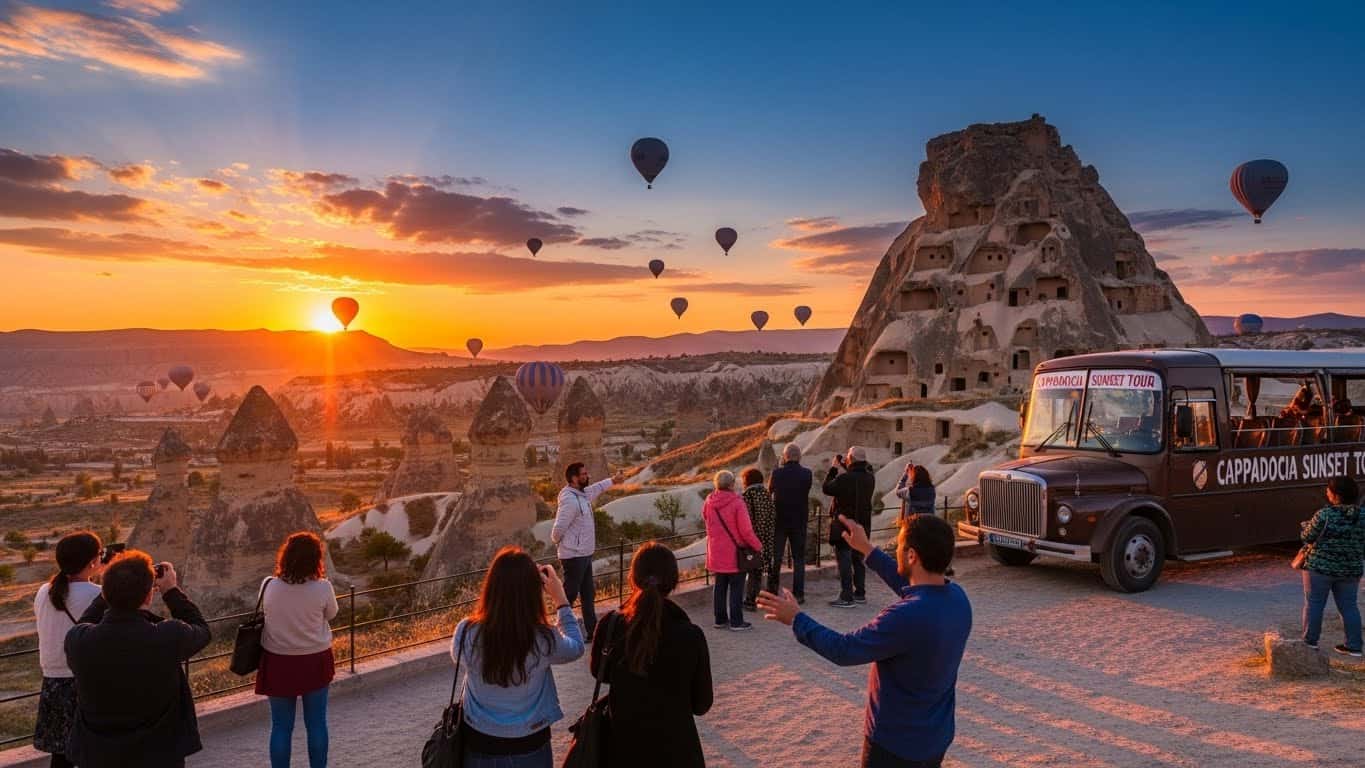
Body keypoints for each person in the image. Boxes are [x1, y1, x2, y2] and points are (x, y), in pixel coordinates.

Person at [757, 514, 972, 768]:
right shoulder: (957, 598)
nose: (897, 551)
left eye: (900, 547)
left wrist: (796, 619)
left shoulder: (905, 617)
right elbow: (915, 586)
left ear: (912, 556)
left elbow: (844, 650)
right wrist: (868, 550)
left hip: (895, 746)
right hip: (935, 736)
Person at [65, 550, 211, 768]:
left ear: (105, 593)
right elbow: (201, 629)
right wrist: (171, 591)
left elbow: (84, 622)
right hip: (159, 754)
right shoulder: (168, 636)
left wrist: (108, 593)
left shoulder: (79, 640)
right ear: (149, 595)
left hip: (99, 755)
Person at [452, 546, 584, 767]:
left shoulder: (467, 632)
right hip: (530, 742)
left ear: (491, 586)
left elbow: (459, 658)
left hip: (480, 741)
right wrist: (561, 600)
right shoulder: (543, 638)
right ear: (534, 591)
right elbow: (576, 647)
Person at [591, 543, 712, 767]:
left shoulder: (611, 625)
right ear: (673, 581)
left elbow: (600, 673)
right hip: (677, 752)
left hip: (622, 748)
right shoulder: (691, 636)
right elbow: (701, 704)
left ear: (634, 578)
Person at [256, 532, 339, 768]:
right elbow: (331, 614)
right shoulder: (323, 588)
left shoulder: (268, 585)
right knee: (316, 723)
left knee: (281, 726)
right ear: (316, 559)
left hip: (279, 660)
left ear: (286, 557)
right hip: (315, 660)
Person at [33, 531, 103, 768]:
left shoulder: (44, 591)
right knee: (94, 752)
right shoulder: (97, 595)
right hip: (84, 684)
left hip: (52, 682)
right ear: (93, 561)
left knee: (61, 757)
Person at [550, 462, 621, 640]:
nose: (586, 476)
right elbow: (557, 530)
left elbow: (596, 488)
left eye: (586, 473)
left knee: (588, 595)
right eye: (583, 474)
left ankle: (592, 633)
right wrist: (563, 545)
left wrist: (613, 480)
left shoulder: (581, 494)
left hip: (584, 554)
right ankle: (558, 632)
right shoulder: (570, 500)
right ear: (574, 478)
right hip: (573, 556)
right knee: (569, 594)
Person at [1300, 475, 1365, 656]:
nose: (1326, 492)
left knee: (1314, 604)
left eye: (1328, 490)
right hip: (1350, 569)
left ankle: (1309, 642)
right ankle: (1354, 646)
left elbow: (1307, 537)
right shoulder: (1363, 516)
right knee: (1349, 607)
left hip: (1319, 568)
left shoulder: (1324, 515)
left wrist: (1305, 526)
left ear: (1335, 495)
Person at [703, 470, 763, 631]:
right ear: (731, 484)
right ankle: (736, 622)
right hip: (735, 554)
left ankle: (720, 619)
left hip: (716, 552)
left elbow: (706, 520)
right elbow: (746, 531)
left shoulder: (709, 501)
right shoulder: (737, 503)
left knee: (720, 586)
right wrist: (757, 546)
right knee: (736, 587)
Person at [823, 446, 877, 607]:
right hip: (863, 525)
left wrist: (834, 468)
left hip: (844, 525)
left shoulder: (844, 479)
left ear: (851, 459)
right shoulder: (870, 478)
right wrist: (847, 464)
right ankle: (860, 593)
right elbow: (856, 475)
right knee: (858, 560)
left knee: (844, 559)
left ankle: (846, 596)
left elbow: (826, 488)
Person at [768, 442, 813, 603]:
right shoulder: (807, 474)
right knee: (799, 559)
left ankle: (772, 592)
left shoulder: (777, 473)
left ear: (785, 457)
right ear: (799, 457)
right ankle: (799, 594)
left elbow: (770, 491)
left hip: (780, 521)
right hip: (799, 521)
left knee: (777, 558)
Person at [740, 467, 776, 610]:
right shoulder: (766, 493)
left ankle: (750, 601)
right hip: (767, 538)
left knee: (751, 570)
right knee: (760, 569)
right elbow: (772, 515)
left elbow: (745, 519)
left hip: (752, 539)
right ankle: (760, 598)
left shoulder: (748, 495)